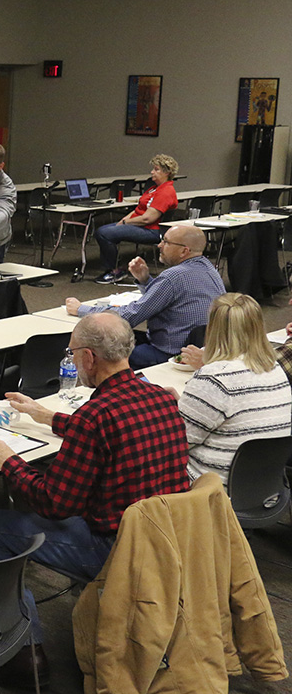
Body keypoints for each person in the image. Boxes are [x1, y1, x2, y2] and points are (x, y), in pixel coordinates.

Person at [0, 313, 190, 683]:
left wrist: (9, 463)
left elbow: (54, 503)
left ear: (90, 358)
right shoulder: (161, 398)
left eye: (73, 352)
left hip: (114, 551)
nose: (72, 359)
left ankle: (25, 651)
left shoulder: (95, 416)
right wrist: (45, 415)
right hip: (166, 541)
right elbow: (107, 431)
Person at [65, 225, 224, 369]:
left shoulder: (173, 276)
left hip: (169, 354)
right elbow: (166, 299)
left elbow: (129, 316)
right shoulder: (210, 270)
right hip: (201, 350)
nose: (159, 245)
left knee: (105, 352)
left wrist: (82, 309)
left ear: (184, 251)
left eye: (166, 242)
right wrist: (145, 280)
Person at [173, 293, 292, 482]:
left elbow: (177, 443)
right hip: (267, 489)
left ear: (213, 329)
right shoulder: (274, 368)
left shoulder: (214, 379)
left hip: (213, 492)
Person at [94, 154, 180, 284]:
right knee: (104, 230)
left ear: (167, 172)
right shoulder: (153, 188)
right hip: (140, 225)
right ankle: (114, 265)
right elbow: (137, 210)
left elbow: (148, 219)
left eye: (156, 169)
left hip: (152, 230)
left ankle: (113, 271)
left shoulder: (165, 192)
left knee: (104, 233)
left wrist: (125, 223)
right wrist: (122, 221)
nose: (152, 172)